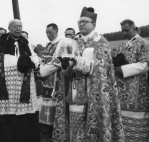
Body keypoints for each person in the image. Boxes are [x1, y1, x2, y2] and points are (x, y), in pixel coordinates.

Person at [52, 7, 124, 142]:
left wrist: (77, 61)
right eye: (80, 22)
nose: (81, 24)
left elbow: (101, 68)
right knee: (75, 125)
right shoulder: (73, 42)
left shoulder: (101, 42)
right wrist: (65, 65)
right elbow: (66, 68)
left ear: (94, 24)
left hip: (94, 91)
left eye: (85, 21)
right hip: (74, 90)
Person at [0, 19, 40, 142]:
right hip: (6, 83)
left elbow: (35, 57)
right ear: (9, 28)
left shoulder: (26, 42)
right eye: (15, 26)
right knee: (6, 115)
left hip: (23, 83)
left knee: (23, 116)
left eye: (20, 26)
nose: (18, 29)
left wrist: (32, 62)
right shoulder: (0, 42)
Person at [112, 19, 149, 142]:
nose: (124, 33)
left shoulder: (144, 43)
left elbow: (145, 65)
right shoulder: (121, 46)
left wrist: (123, 69)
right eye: (122, 31)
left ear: (135, 29)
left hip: (138, 91)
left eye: (127, 30)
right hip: (121, 89)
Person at [38, 23, 62, 137]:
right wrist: (41, 70)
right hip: (46, 79)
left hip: (55, 79)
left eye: (50, 32)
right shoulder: (48, 45)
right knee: (45, 101)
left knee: (53, 102)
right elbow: (43, 60)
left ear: (56, 31)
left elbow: (57, 62)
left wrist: (42, 72)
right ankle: (45, 126)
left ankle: (52, 126)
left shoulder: (60, 44)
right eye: (46, 32)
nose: (48, 35)